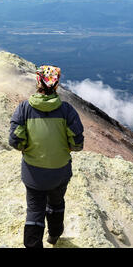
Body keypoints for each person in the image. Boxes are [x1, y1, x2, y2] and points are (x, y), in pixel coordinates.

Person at [8, 65, 84, 248]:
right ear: (56, 85)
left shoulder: (23, 109)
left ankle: (34, 245)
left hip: (33, 173)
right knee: (56, 203)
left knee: (34, 210)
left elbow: (15, 141)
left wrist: (27, 148)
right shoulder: (67, 111)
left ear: (38, 82)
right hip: (60, 171)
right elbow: (77, 144)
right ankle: (54, 236)